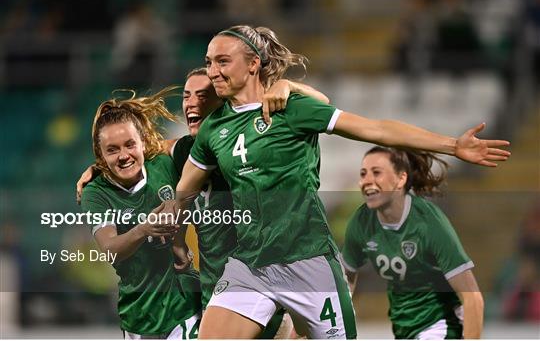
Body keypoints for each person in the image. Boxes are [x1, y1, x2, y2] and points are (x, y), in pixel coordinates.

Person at [161, 24, 509, 339]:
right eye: (209, 62)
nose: (213, 71)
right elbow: (185, 189)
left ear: (253, 63)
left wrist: (452, 145)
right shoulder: (213, 129)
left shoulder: (292, 108)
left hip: (308, 262)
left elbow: (375, 129)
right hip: (250, 266)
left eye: (222, 61)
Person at [76, 68, 329, 338]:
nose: (191, 103)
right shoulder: (183, 154)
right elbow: (145, 152)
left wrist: (287, 84)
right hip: (210, 296)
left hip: (263, 289)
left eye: (202, 95)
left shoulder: (253, 140)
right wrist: (102, 166)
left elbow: (321, 105)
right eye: (186, 96)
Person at [79, 87, 202, 339]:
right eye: (112, 150)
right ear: (100, 155)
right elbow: (111, 250)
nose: (124, 156)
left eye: (130, 145)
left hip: (183, 304)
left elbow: (209, 141)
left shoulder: (165, 164)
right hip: (137, 315)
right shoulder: (95, 193)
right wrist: (144, 229)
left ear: (143, 143)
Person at [341, 146, 484, 339]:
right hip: (404, 328)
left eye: (376, 173)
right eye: (363, 173)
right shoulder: (361, 221)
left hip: (442, 326)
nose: (366, 181)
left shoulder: (429, 223)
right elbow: (346, 280)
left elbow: (473, 297)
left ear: (401, 179)